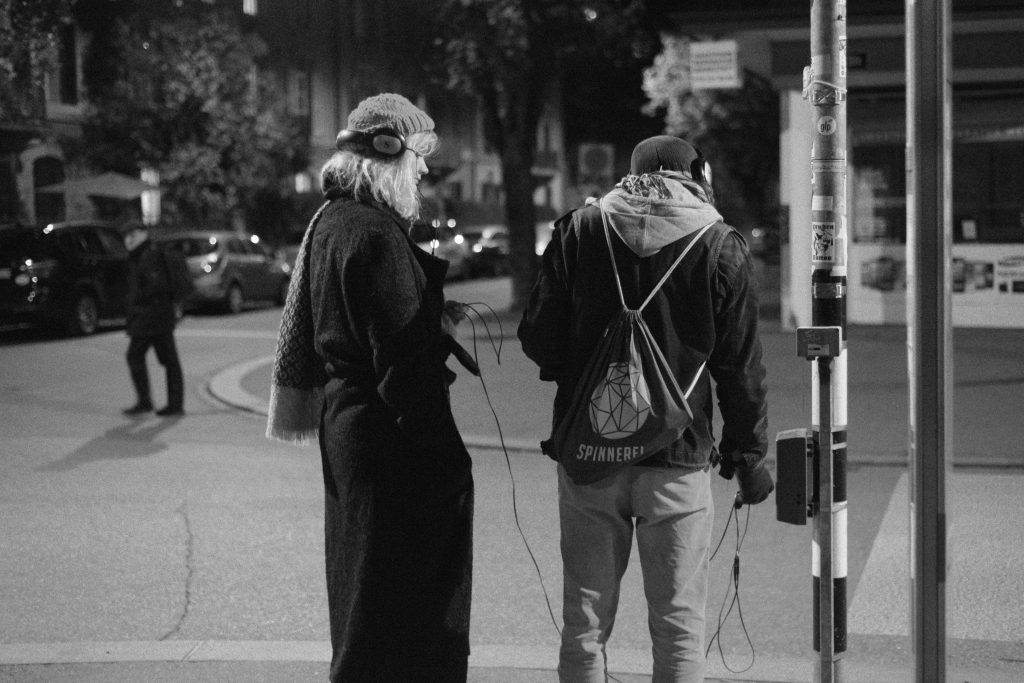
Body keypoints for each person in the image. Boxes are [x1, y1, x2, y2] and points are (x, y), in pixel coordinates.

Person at [518, 135, 774, 682]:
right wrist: (747, 455)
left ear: (628, 175)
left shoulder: (578, 230)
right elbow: (740, 366)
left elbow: (539, 339)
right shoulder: (719, 242)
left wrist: (587, 359)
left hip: (590, 453)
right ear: (697, 174)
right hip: (677, 458)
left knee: (583, 624)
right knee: (678, 623)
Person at [265, 93, 474, 682]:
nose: (424, 171)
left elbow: (354, 320)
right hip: (389, 443)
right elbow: (402, 368)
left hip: (349, 425)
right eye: (418, 157)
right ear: (387, 155)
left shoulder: (332, 220)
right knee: (400, 605)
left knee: (362, 587)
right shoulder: (376, 234)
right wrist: (447, 457)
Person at [121, 222, 185, 417]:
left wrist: (139, 306)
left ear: (142, 234)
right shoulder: (142, 255)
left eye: (132, 233)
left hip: (152, 318)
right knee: (167, 360)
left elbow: (154, 286)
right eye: (126, 234)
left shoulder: (149, 255)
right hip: (156, 317)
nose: (128, 238)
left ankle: (151, 402)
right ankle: (167, 403)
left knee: (137, 355)